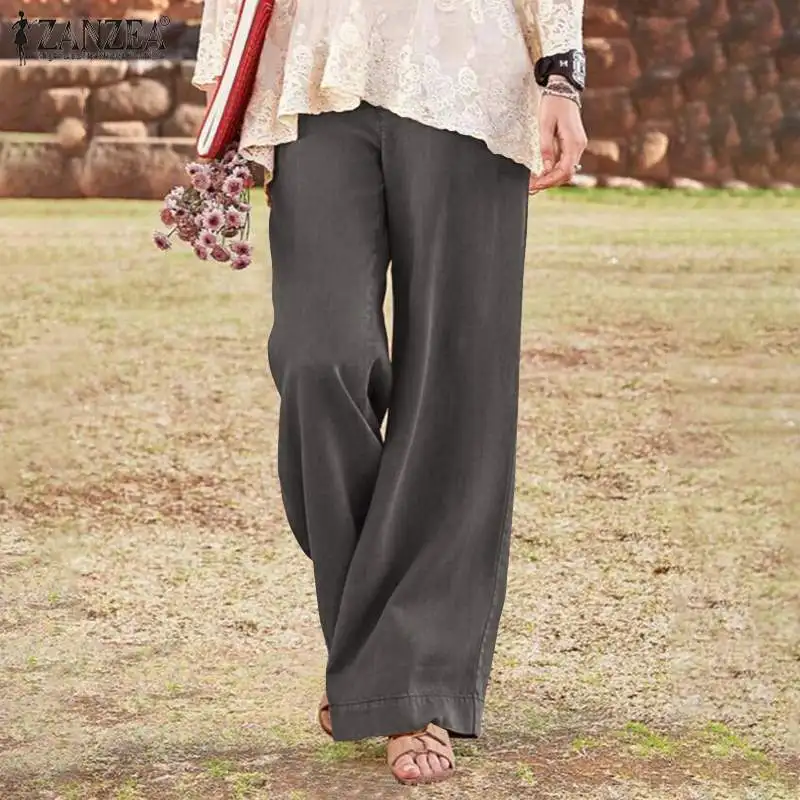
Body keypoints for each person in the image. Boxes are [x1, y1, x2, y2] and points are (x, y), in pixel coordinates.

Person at [193, 0, 587, 787]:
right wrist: (224, 77)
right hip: (319, 73)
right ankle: (377, 658)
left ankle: (406, 683)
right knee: (319, 358)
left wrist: (562, 76)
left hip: (469, 71)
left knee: (456, 385)